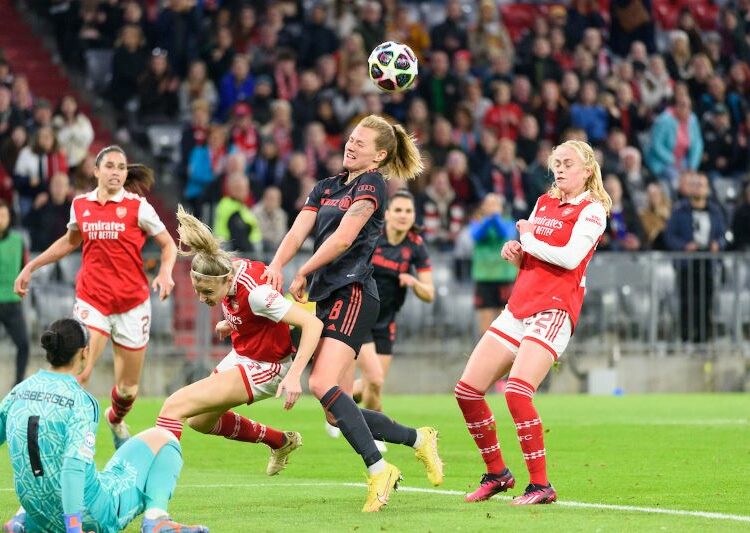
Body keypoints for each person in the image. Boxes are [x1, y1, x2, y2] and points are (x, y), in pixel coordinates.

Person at [262, 114, 444, 512]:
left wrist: (304, 271)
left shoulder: (372, 184)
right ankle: (419, 439)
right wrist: (277, 265)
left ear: (378, 156)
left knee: (321, 382)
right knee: (333, 410)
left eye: (361, 143)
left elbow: (345, 238)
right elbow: (297, 232)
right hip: (327, 296)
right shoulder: (325, 187)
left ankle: (379, 470)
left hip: (354, 291)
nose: (351, 145)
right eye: (350, 138)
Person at [456, 140, 611, 505]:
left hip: (554, 310)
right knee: (467, 391)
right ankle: (497, 473)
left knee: (517, 391)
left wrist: (526, 236)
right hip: (518, 307)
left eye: (568, 163)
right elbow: (538, 258)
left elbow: (571, 258)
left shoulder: (592, 211)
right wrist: (516, 252)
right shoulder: (544, 202)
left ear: (587, 169)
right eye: (556, 163)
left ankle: (541, 485)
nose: (559, 169)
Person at [14, 145, 177, 449]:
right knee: (81, 371)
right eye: (110, 166)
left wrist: (166, 272)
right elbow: (70, 241)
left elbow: (169, 245)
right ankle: (63, 440)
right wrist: (33, 265)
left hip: (132, 303)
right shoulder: (81, 205)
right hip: (93, 300)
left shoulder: (138, 207)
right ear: (97, 170)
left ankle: (115, 419)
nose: (116, 172)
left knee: (128, 389)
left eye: (121, 167)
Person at [154, 206, 320, 475]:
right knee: (199, 421)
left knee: (175, 405)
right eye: (197, 290)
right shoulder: (223, 268)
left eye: (207, 292)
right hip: (243, 353)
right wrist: (230, 324)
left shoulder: (257, 294)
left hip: (268, 366)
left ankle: (156, 488)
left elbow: (312, 324)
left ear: (227, 279)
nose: (201, 298)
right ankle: (281, 441)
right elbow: (251, 314)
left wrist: (295, 375)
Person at [0, 318, 208, 533]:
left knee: (46, 468)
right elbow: (73, 465)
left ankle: (22, 523)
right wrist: (74, 529)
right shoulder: (80, 401)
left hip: (38, 513)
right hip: (90, 515)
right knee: (164, 438)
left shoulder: (20, 390)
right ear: (84, 352)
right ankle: (156, 519)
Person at [347, 189, 435, 426]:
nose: (403, 215)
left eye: (408, 211)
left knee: (370, 386)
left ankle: (338, 403)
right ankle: (378, 434)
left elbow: (429, 293)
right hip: (360, 315)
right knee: (374, 380)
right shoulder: (372, 236)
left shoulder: (416, 246)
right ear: (386, 213)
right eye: (398, 210)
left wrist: (414, 281)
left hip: (387, 320)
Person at [470, 193, 518, 334]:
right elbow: (477, 235)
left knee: (506, 321)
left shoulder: (509, 222)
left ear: (501, 208)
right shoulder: (477, 222)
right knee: (485, 321)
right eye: (488, 204)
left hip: (505, 276)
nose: (491, 207)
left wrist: (495, 217)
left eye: (495, 204)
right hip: (484, 277)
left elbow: (506, 234)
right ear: (482, 207)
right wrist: (489, 219)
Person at [0, 200, 29, 386]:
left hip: (11, 302)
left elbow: (24, 268)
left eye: (3, 215)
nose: (1, 219)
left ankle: (17, 385)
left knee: (24, 345)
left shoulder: (18, 241)